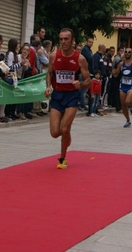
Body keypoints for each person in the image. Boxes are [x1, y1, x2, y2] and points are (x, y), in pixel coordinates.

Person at [44, 28, 90, 169]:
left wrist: (80, 84)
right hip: (57, 95)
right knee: (55, 133)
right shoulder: (53, 56)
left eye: (66, 39)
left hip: (72, 96)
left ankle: (62, 158)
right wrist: (48, 86)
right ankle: (67, 138)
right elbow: (49, 74)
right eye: (61, 39)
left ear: (72, 40)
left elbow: (88, 80)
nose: (63, 41)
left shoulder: (80, 59)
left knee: (64, 129)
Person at [112, 48, 132, 128]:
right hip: (122, 86)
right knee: (123, 105)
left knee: (127, 101)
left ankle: (131, 104)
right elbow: (116, 74)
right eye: (126, 52)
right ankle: (128, 120)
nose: (127, 53)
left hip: (131, 86)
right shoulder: (121, 64)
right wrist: (114, 71)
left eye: (129, 52)